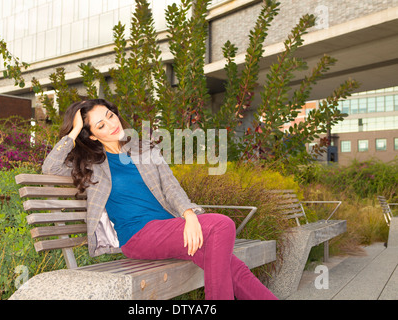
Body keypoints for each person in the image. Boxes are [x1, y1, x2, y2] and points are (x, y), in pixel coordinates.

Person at [42, 98, 277, 300]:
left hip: (171, 229)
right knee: (222, 224)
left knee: (232, 267)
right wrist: (73, 131)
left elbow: (171, 187)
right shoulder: (92, 165)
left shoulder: (143, 150)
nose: (112, 124)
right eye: (101, 125)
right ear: (92, 135)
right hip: (138, 236)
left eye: (110, 115)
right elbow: (49, 167)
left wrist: (190, 215)